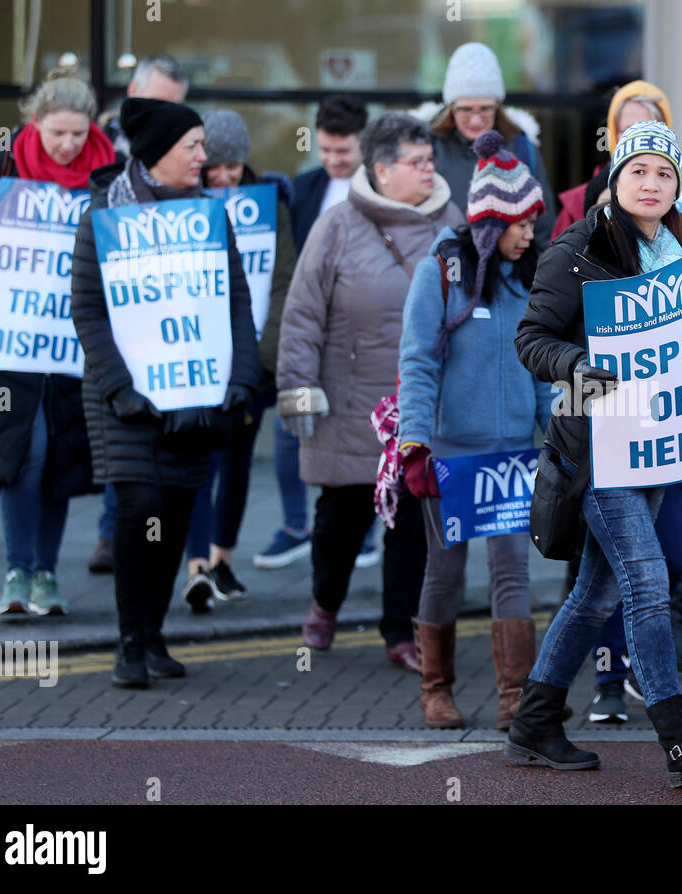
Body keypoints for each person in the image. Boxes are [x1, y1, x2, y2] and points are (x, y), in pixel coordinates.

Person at [510, 121, 682, 787]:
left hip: (662, 446)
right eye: (638, 170)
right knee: (646, 579)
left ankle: (534, 720)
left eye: (664, 174)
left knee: (595, 591)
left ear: (676, 188)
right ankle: (679, 738)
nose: (651, 183)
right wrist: (584, 367)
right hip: (599, 449)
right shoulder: (574, 249)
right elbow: (532, 340)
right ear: (615, 179)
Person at [70, 98, 261, 686]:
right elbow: (88, 310)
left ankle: (154, 635)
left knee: (176, 513)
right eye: (194, 147)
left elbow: (235, 302)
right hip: (126, 401)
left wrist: (240, 380)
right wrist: (122, 390)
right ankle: (129, 644)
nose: (205, 157)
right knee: (141, 509)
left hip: (196, 396)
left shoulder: (211, 215)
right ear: (157, 155)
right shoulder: (102, 216)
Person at [277, 112, 465, 671]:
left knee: (411, 525)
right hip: (351, 406)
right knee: (340, 520)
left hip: (420, 406)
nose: (430, 170)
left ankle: (400, 634)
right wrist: (297, 386)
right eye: (417, 162)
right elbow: (303, 313)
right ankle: (325, 606)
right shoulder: (336, 224)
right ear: (382, 169)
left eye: (431, 160)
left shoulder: (451, 222)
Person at [396, 131, 551, 730]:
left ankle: (516, 697)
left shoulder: (527, 276)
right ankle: (436, 689)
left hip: (513, 454)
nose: (529, 233)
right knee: (446, 571)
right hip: (453, 455)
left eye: (534, 221)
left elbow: (540, 369)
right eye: (519, 223)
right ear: (491, 223)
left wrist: (557, 439)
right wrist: (417, 443)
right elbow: (418, 361)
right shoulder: (439, 271)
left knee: (512, 569)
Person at [0, 70, 113, 616]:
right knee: (27, 453)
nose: (68, 145)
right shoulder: (4, 163)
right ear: (34, 125)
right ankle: (17, 573)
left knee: (61, 459)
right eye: (57, 135)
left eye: (77, 134)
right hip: (14, 338)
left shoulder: (108, 173)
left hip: (78, 343)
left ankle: (47, 574)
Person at [175, 110, 297, 610]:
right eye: (215, 168)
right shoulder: (182, 201)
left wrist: (263, 361)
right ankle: (196, 566)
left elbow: (284, 279)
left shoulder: (272, 203)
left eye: (234, 167)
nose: (224, 177)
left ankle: (221, 561)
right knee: (198, 466)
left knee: (238, 462)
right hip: (196, 359)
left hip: (250, 364)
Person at [256, 95, 371, 571]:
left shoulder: (381, 192)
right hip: (310, 332)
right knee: (292, 426)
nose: (333, 160)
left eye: (343, 151)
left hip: (364, 338)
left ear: (364, 144)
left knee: (364, 431)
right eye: (325, 149)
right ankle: (294, 527)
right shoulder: (304, 188)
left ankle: (364, 532)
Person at [89, 54, 191, 575]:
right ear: (132, 92)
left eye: (173, 109)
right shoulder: (102, 165)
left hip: (174, 349)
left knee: (169, 492)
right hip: (117, 345)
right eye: (155, 105)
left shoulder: (192, 188)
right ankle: (111, 534)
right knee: (130, 480)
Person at [416, 42, 557, 252]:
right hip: (443, 272)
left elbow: (544, 227)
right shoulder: (427, 148)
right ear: (451, 108)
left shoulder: (522, 148)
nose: (475, 120)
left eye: (485, 109)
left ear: (497, 107)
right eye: (465, 110)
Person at [553, 79, 674, 240]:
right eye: (627, 130)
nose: (636, 139)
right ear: (613, 136)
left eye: (646, 130)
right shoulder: (576, 203)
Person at [99, 54, 190, 162]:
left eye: (174, 108)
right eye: (157, 103)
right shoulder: (99, 148)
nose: (165, 114)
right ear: (133, 90)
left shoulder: (188, 150)